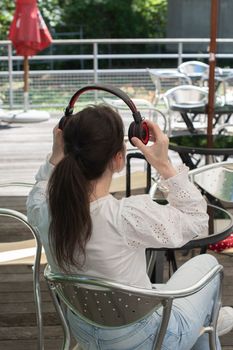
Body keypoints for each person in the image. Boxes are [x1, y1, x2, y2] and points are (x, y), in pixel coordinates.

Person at [27, 104, 233, 350]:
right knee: (208, 265)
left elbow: (40, 187)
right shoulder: (126, 216)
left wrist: (55, 155)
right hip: (146, 340)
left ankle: (203, 325)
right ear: (118, 159)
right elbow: (198, 219)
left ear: (65, 148)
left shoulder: (44, 210)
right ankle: (206, 321)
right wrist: (164, 164)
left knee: (201, 334)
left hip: (84, 331)